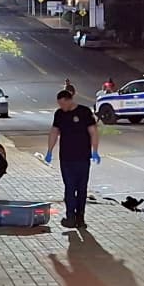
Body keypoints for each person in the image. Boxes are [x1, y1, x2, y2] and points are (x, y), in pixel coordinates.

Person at [46, 88, 100, 229]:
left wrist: (95, 151)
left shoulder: (84, 112)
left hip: (82, 157)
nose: (61, 107)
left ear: (70, 100)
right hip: (66, 158)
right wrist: (49, 151)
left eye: (63, 104)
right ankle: (70, 217)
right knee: (69, 188)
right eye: (59, 105)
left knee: (82, 188)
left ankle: (80, 218)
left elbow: (93, 132)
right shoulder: (59, 114)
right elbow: (54, 132)